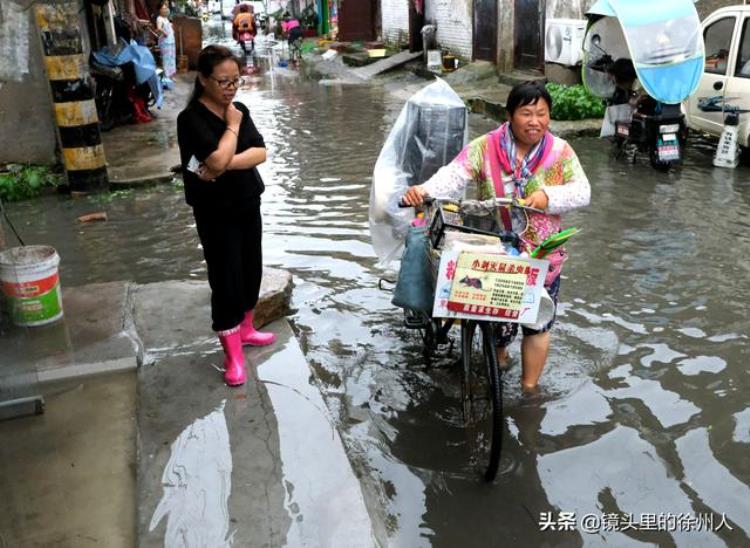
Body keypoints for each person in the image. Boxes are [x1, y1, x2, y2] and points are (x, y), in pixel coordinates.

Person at [402, 81, 591, 393]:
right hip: (493, 249)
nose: (535, 121)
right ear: (510, 115)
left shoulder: (561, 152)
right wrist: (422, 191)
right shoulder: (485, 146)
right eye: (527, 113)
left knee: (537, 322)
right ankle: (499, 360)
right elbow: (453, 175)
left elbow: (582, 191)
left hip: (540, 254)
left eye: (542, 114)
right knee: (498, 323)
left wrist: (548, 196)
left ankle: (530, 390)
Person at [177, 45, 276, 387]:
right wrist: (233, 129)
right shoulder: (190, 119)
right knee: (225, 278)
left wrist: (222, 163)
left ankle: (247, 329)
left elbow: (260, 152)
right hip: (214, 211)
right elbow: (214, 161)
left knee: (251, 270)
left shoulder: (240, 108)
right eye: (223, 81)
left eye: (236, 80)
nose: (231, 88)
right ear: (204, 80)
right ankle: (232, 354)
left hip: (247, 202)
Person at [155, 2, 177, 85]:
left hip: (171, 41)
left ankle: (171, 75)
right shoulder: (159, 18)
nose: (165, 10)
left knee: (172, 58)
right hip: (165, 42)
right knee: (166, 59)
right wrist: (164, 33)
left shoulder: (166, 18)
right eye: (163, 8)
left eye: (166, 8)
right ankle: (167, 76)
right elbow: (159, 28)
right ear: (159, 10)